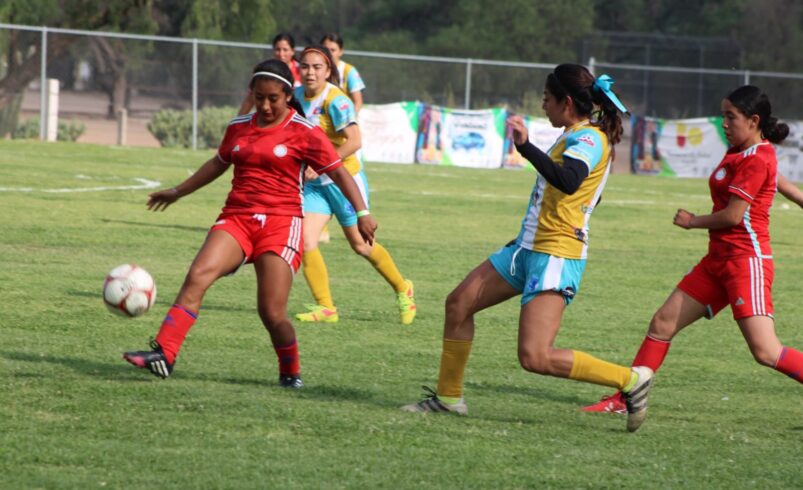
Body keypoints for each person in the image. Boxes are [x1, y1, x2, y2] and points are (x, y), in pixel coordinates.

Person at [401, 64, 654, 432]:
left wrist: (525, 147)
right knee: (458, 304)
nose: (543, 105)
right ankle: (448, 398)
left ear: (567, 103)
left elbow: (569, 181)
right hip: (526, 248)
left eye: (547, 99)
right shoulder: (574, 135)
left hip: (555, 255)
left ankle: (631, 380)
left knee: (535, 357)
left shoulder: (588, 139)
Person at [123, 59, 377, 387]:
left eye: (273, 98)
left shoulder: (305, 132)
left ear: (288, 95)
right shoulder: (239, 126)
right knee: (197, 276)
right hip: (237, 219)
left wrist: (362, 214)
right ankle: (164, 353)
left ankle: (290, 371)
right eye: (259, 98)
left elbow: (340, 173)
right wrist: (177, 192)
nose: (266, 106)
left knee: (271, 312)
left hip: (282, 225)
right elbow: (217, 163)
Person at [582, 85, 803, 415]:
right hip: (717, 261)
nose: (724, 123)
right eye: (723, 115)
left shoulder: (756, 158)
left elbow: (733, 216)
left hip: (746, 264)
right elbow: (776, 179)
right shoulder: (745, 151)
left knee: (766, 352)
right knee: (662, 323)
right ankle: (626, 398)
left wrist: (691, 221)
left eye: (731, 117)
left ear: (754, 120)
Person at [292, 45, 416, 326]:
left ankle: (402, 288)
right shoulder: (295, 97)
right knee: (305, 241)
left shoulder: (336, 100)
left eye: (317, 67)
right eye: (305, 66)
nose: (310, 72)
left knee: (361, 245)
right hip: (315, 185)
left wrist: (320, 165)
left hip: (343, 181)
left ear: (328, 71)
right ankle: (326, 307)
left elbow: (355, 141)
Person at [237, 33, 301, 116]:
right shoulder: (265, 71)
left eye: (285, 50)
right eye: (277, 49)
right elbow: (250, 99)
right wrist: (238, 121)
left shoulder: (301, 70)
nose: (281, 54)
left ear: (293, 51)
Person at [320, 32, 366, 113]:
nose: (329, 53)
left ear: (341, 52)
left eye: (333, 50)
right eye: (326, 50)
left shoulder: (349, 71)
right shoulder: (314, 70)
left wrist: (349, 119)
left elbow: (358, 103)